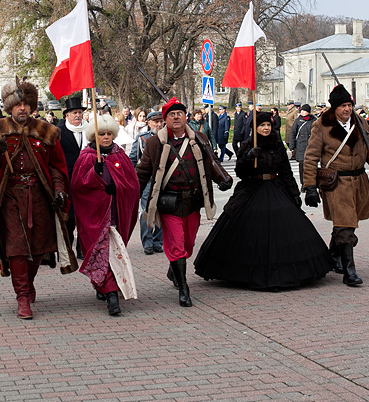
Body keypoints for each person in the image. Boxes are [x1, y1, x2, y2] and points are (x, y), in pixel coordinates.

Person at [0, 79, 78, 320]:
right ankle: (22, 297)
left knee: (39, 247)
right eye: (17, 104)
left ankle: (28, 283)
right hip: (9, 198)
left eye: (26, 104)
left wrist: (60, 188)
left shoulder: (46, 131)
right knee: (17, 248)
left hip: (40, 196)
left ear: (31, 106)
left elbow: (57, 167)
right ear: (10, 107)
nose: (22, 108)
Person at [195, 111, 332, 289]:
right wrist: (248, 157)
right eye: (262, 125)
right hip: (252, 189)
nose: (266, 128)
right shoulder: (247, 145)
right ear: (255, 128)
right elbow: (240, 173)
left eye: (268, 125)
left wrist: (295, 193)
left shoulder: (277, 145)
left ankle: (286, 272)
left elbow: (285, 171)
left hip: (276, 188)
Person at [136, 97, 233, 307]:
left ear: (185, 116)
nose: (176, 117)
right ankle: (184, 289)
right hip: (169, 203)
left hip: (194, 201)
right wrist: (130, 191)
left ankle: (175, 269)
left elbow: (211, 163)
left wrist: (223, 178)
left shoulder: (199, 138)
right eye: (172, 114)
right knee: (177, 245)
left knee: (187, 245)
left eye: (179, 113)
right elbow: (142, 172)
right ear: (165, 119)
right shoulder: (154, 143)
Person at [302, 84, 369, 287]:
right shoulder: (322, 125)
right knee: (346, 225)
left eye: (349, 105)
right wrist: (310, 186)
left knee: (345, 222)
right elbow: (311, 157)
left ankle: (333, 256)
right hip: (336, 182)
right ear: (334, 108)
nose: (347, 109)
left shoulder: (360, 122)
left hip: (359, 181)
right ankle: (350, 271)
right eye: (342, 106)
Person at [72, 115, 141, 316]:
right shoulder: (86, 157)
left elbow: (133, 185)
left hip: (116, 215)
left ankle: (107, 286)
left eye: (109, 133)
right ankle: (111, 294)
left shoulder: (120, 156)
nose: (106, 137)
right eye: (102, 134)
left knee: (113, 253)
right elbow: (78, 186)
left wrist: (118, 188)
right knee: (103, 253)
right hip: (96, 217)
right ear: (95, 135)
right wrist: (94, 173)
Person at [130, 110, 164, 254]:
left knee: (162, 211)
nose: (159, 125)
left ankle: (158, 241)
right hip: (147, 181)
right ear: (148, 123)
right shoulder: (141, 139)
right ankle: (147, 242)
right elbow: (133, 159)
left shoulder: (168, 138)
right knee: (147, 211)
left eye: (161, 122)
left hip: (163, 180)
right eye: (155, 122)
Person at [57, 95, 87, 258]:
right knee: (68, 219)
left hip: (85, 181)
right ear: (66, 115)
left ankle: (82, 249)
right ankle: (66, 250)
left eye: (79, 112)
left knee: (83, 217)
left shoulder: (90, 130)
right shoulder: (60, 132)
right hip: (67, 180)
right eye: (74, 113)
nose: (77, 115)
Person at [287, 104, 314, 183]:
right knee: (301, 165)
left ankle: (310, 182)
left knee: (310, 166)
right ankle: (303, 183)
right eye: (301, 111)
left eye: (304, 111)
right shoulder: (298, 121)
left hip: (311, 146)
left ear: (308, 112)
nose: (302, 112)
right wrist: (292, 146)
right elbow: (292, 133)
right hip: (300, 146)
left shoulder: (313, 121)